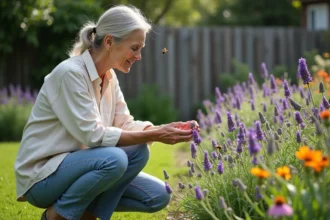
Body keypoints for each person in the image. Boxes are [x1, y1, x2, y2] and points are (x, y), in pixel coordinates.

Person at [14, 5, 199, 220]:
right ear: (110, 42)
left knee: (157, 193)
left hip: (81, 168)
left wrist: (164, 129)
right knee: (115, 159)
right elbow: (93, 136)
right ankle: (59, 216)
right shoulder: (70, 74)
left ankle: (86, 214)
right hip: (42, 177)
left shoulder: (109, 77)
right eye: (135, 48)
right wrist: (156, 135)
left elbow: (124, 124)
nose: (139, 56)